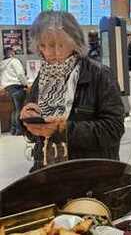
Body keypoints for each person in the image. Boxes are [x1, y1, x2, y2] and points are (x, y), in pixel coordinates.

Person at [19, 11, 125, 171]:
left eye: (57, 45)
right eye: (43, 46)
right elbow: (34, 135)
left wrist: (63, 129)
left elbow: (113, 129)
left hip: (90, 173)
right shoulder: (43, 77)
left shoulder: (99, 75)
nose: (49, 53)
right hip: (48, 171)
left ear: (75, 42)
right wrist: (27, 121)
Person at [0, 47, 27, 135]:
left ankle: (13, 129)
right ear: (11, 52)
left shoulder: (2, 63)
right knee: (19, 109)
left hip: (8, 89)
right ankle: (19, 130)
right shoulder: (14, 61)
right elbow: (20, 74)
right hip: (17, 87)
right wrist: (25, 83)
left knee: (14, 110)